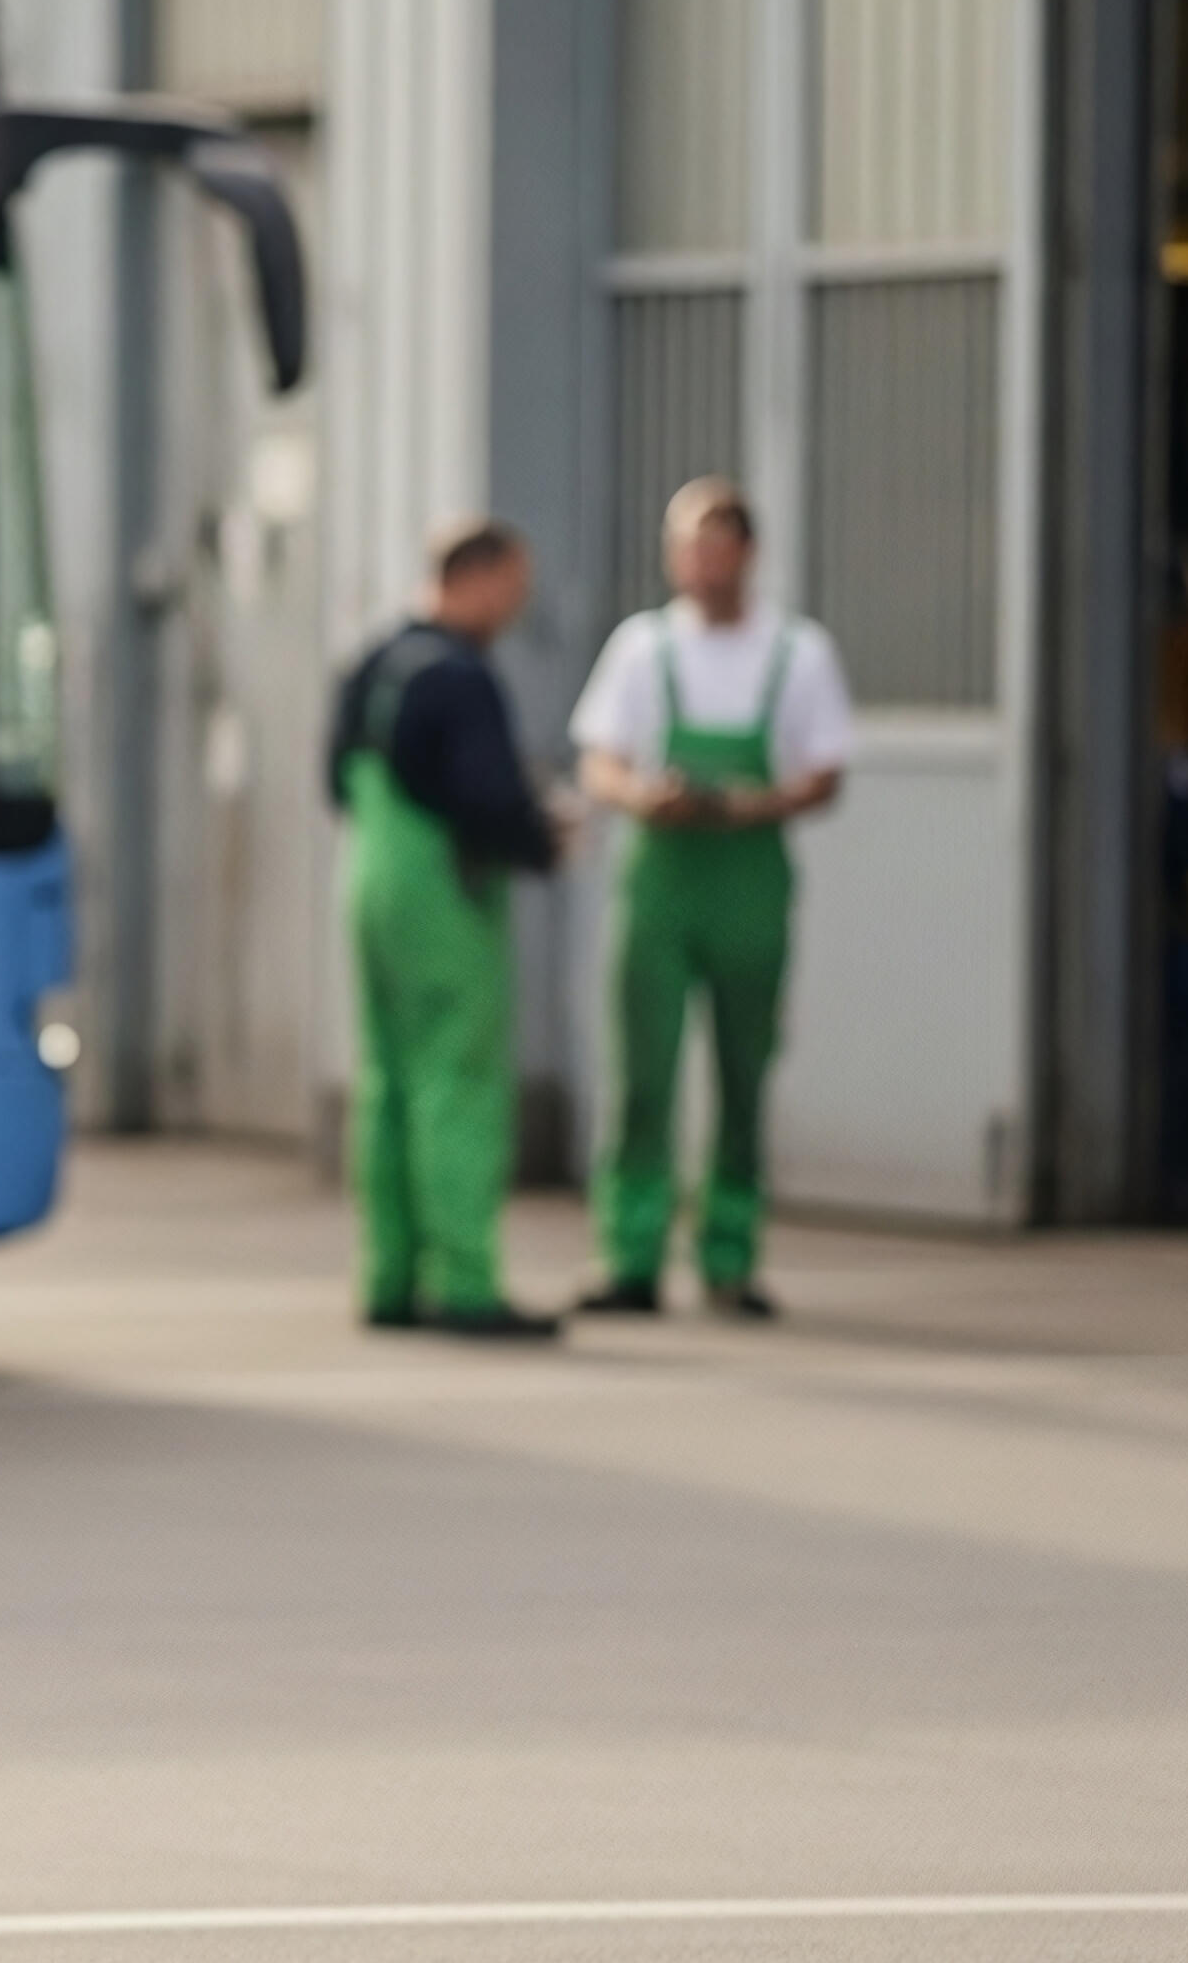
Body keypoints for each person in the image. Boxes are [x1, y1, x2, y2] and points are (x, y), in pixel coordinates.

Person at [571, 477, 850, 1318]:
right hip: (659, 879)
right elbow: (600, 758)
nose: (698, 563)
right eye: (686, 546)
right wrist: (643, 797)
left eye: (715, 545)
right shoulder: (642, 648)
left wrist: (746, 804)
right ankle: (630, 1253)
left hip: (747, 881)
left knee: (743, 1071)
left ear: (748, 553)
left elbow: (824, 773)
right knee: (641, 1076)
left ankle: (729, 1254)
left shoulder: (797, 654)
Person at [331, 520, 564, 1338]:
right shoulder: (461, 678)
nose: (517, 607)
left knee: (387, 1080)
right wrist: (543, 839)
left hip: (369, 884)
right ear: (481, 576)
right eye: (515, 588)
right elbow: (488, 798)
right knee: (458, 1084)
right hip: (446, 896)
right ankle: (466, 1281)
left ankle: (390, 1279)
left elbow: (335, 778)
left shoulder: (373, 662)